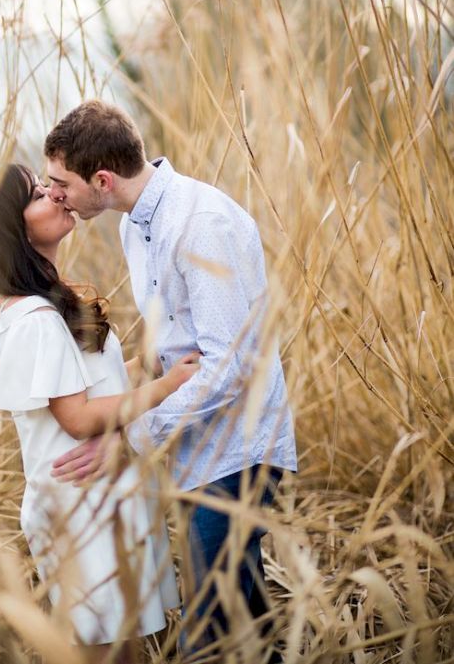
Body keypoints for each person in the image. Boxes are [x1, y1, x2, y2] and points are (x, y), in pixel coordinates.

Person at [43, 100, 297, 657]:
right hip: (194, 446)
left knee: (215, 627)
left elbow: (228, 368)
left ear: (102, 180)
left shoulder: (201, 225)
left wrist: (132, 439)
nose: (54, 192)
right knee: (242, 621)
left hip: (236, 452)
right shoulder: (137, 227)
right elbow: (169, 347)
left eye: (61, 181)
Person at [0, 163, 200, 663]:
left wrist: (145, 364)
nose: (56, 195)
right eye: (38, 194)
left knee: (123, 646)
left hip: (101, 501)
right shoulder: (36, 318)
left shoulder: (46, 301)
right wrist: (167, 385)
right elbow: (80, 418)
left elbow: (91, 387)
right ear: (12, 228)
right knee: (104, 651)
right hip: (80, 511)